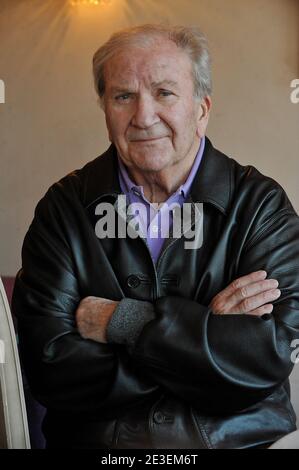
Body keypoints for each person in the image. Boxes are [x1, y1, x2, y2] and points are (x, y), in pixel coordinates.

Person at [12, 24, 299, 449]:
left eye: (164, 93)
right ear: (105, 108)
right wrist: (204, 337)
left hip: (238, 443)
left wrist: (122, 323)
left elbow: (268, 358)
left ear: (202, 109)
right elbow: (48, 366)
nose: (143, 117)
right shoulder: (63, 208)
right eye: (123, 96)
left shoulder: (260, 205)